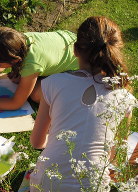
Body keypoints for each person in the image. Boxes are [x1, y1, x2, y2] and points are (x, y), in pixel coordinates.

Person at [29, 16, 137, 192]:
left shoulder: (53, 82)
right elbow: (116, 157)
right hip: (93, 186)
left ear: (75, 49)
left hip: (46, 183)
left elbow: (36, 142)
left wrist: (60, 139)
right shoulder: (125, 99)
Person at [0, 27, 78, 110]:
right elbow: (6, 65)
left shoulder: (32, 64)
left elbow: (16, 103)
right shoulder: (18, 41)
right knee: (22, 78)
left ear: (14, 60)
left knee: (36, 94)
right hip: (71, 42)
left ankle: (72, 93)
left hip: (80, 67)